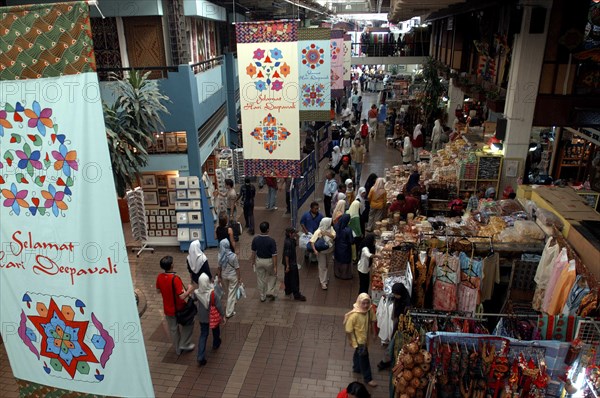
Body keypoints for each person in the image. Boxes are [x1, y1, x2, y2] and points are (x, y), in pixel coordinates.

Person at [156, 256, 195, 355]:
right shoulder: (175, 279)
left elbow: (158, 291)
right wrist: (190, 289)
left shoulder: (159, 277)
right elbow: (182, 296)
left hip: (167, 309)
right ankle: (184, 343)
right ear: (172, 265)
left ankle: (178, 349)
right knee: (189, 323)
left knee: (173, 329)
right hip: (179, 308)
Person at [344, 293, 377, 387]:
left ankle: (357, 368)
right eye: (363, 303)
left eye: (367, 303)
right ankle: (368, 378)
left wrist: (374, 333)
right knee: (364, 358)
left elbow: (372, 320)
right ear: (359, 303)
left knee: (358, 352)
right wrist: (352, 340)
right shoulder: (354, 315)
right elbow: (348, 329)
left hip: (365, 339)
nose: (366, 305)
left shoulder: (369, 310)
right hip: (359, 341)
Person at [377, 283, 411, 371]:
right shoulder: (399, 298)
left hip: (401, 328)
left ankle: (385, 362)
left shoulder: (407, 304)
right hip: (396, 325)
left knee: (392, 344)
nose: (395, 296)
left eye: (396, 294)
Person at [193, 273, 222, 366]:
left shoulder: (196, 292)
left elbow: (193, 299)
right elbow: (219, 306)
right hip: (212, 316)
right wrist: (223, 315)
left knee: (203, 334)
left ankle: (200, 356)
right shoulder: (212, 293)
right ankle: (216, 343)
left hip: (202, 317)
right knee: (215, 330)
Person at [250, 222, 278, 302]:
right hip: (269, 261)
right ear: (268, 229)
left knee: (260, 278)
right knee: (273, 275)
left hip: (259, 261)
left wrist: (252, 261)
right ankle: (270, 291)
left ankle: (262, 296)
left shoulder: (255, 239)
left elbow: (253, 252)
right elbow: (274, 255)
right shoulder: (271, 241)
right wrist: (275, 266)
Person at [310, 217, 336, 290]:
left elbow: (334, 236)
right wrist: (315, 250)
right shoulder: (318, 231)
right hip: (321, 252)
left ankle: (323, 277)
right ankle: (323, 282)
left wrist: (326, 233)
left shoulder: (331, 229)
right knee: (322, 266)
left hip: (329, 250)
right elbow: (312, 241)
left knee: (326, 265)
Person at [217, 238, 240, 319]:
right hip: (233, 276)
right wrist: (239, 278)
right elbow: (237, 268)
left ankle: (230, 303)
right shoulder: (233, 256)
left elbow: (219, 268)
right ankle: (229, 312)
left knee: (228, 292)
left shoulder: (219, 255)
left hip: (224, 276)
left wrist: (219, 277)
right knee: (231, 293)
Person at [283, 227, 306, 301]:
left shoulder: (290, 240)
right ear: (290, 234)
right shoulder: (288, 243)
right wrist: (288, 266)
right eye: (293, 233)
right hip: (291, 263)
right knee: (294, 279)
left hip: (290, 263)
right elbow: (286, 255)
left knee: (287, 277)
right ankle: (296, 294)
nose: (295, 234)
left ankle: (288, 290)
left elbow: (297, 244)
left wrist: (297, 238)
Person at [334, 214, 354, 280]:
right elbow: (351, 241)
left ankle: (338, 273)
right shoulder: (348, 230)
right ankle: (344, 275)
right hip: (346, 249)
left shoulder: (336, 226)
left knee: (338, 260)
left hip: (337, 246)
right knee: (345, 262)